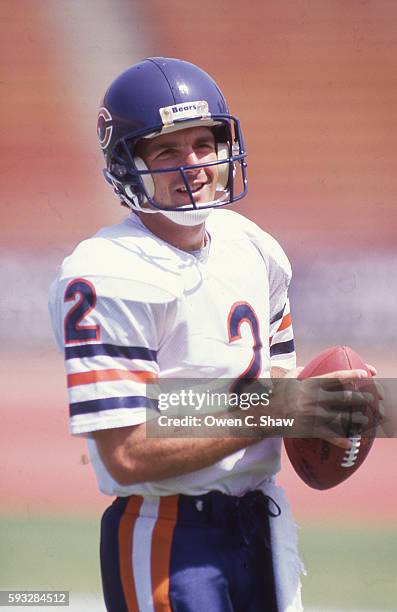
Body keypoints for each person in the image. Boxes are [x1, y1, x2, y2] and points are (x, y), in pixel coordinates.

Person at [49, 57, 375, 612]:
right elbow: (125, 451)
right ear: (128, 165)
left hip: (261, 522)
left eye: (204, 144)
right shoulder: (105, 271)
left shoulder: (253, 246)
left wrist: (346, 405)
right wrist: (285, 410)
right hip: (168, 532)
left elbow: (277, 386)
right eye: (168, 150)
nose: (193, 165)